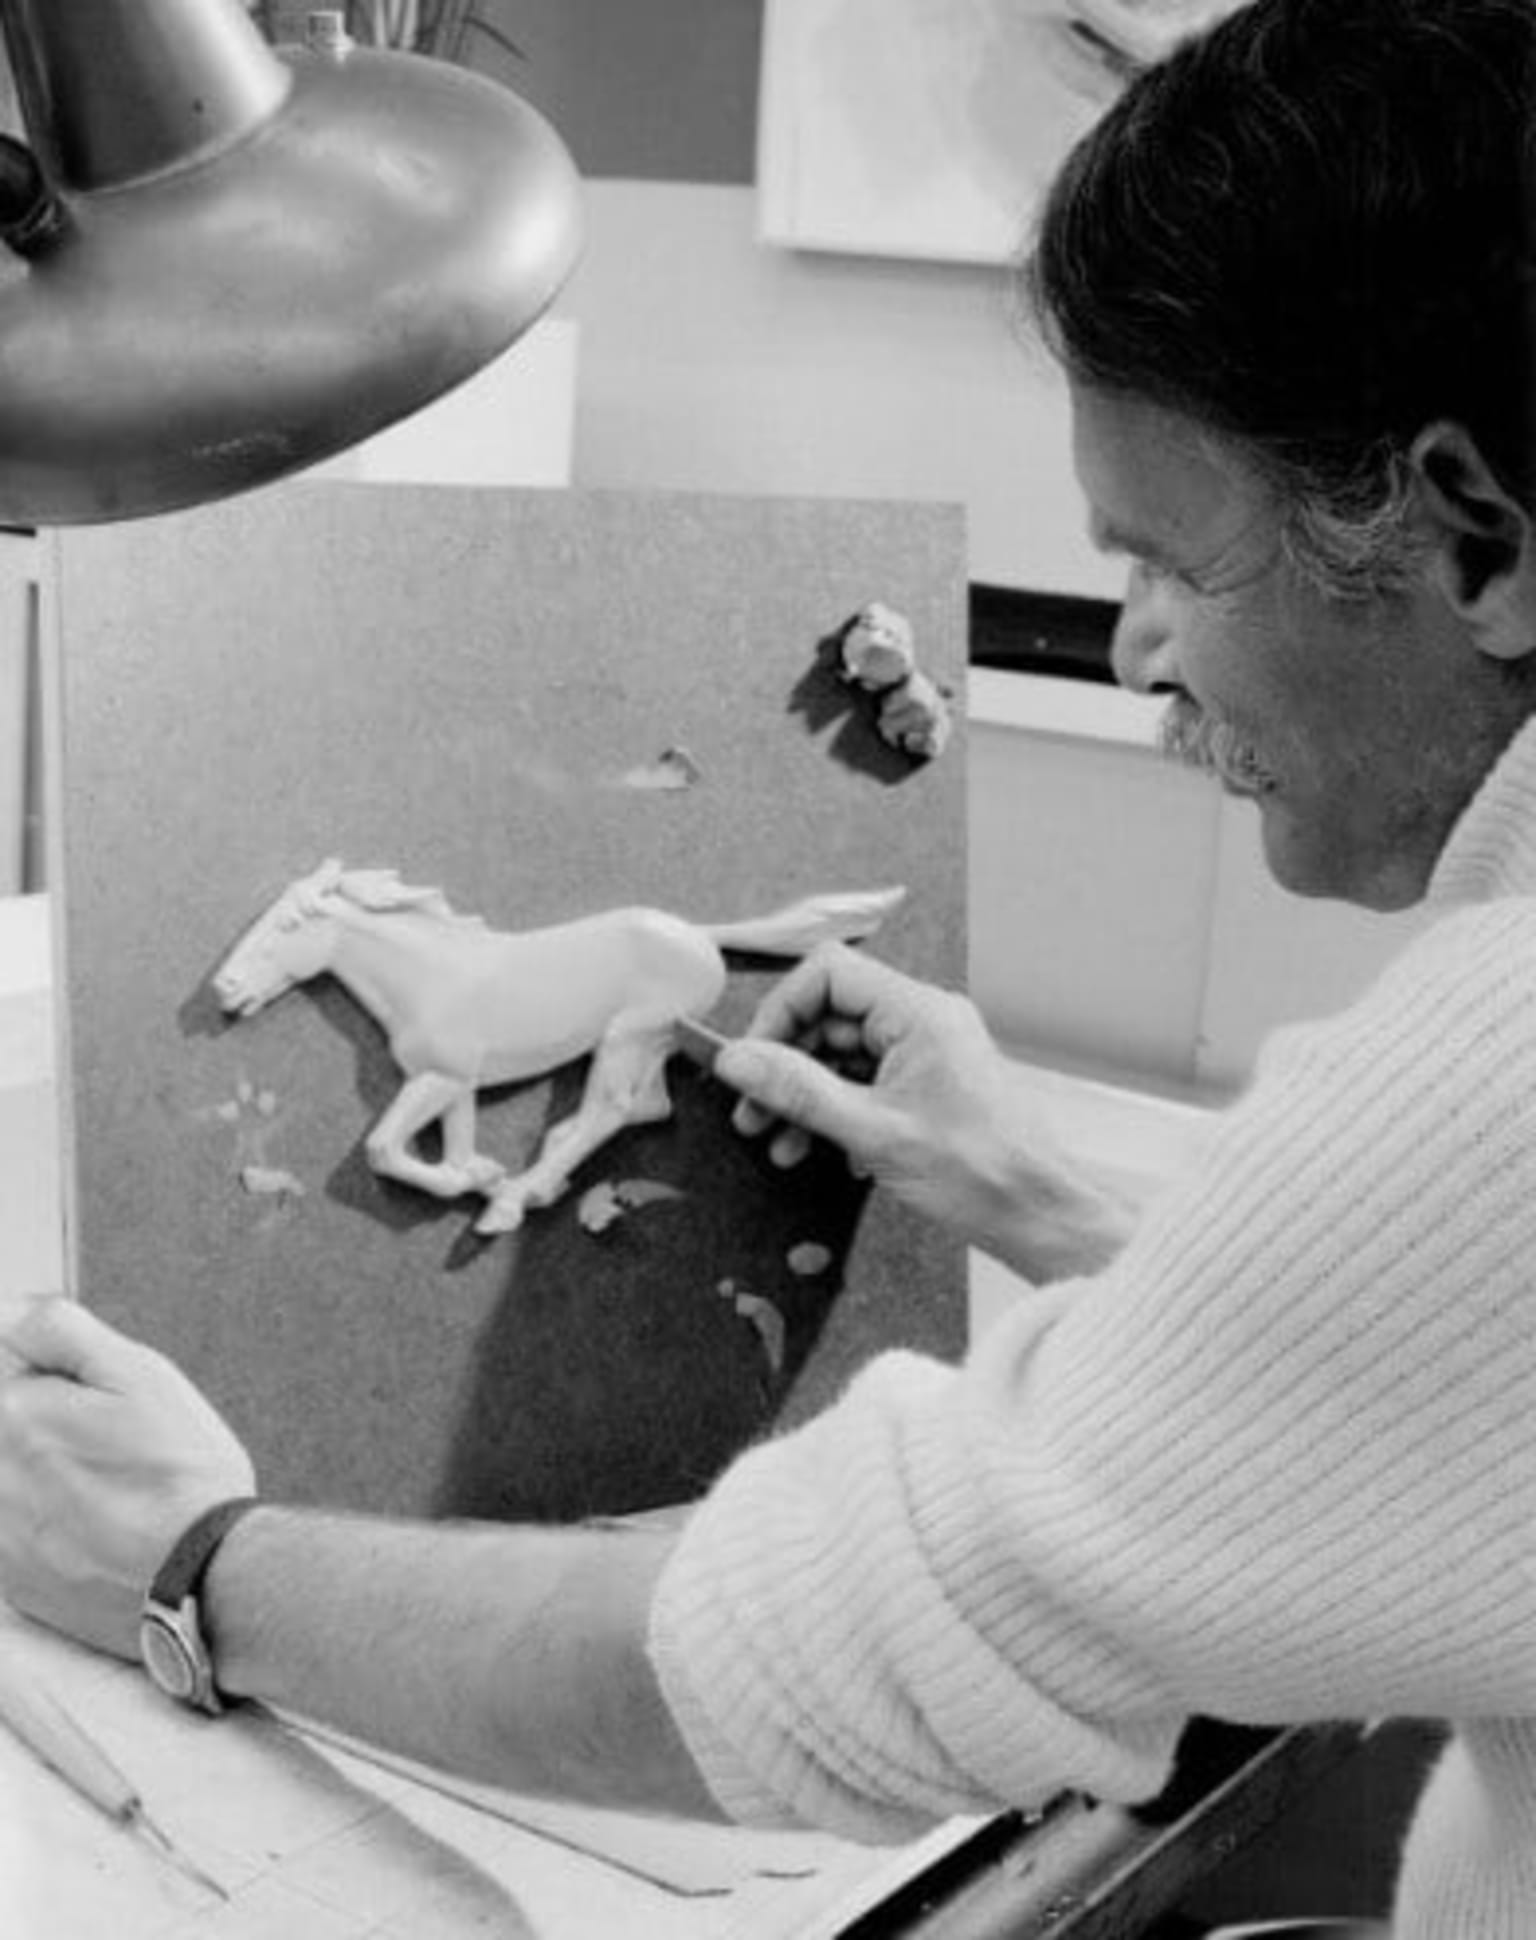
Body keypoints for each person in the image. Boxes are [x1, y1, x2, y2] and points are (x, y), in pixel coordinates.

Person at [1, 0, 1534, 1930]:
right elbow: (1450, 1396)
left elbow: (772, 1669)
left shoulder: (1500, 1075)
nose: (1139, 655)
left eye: (1167, 566)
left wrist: (187, 1556)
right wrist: (1044, 1201)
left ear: (1475, 538)